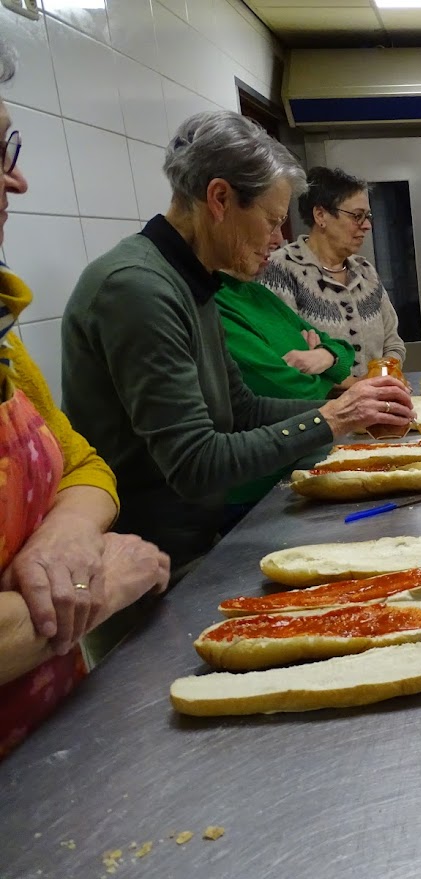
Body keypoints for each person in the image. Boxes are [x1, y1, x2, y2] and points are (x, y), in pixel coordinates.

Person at [61, 112, 415, 576]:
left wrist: (356, 409)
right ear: (220, 198)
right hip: (141, 565)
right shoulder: (138, 288)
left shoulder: (193, 280)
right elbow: (194, 462)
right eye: (270, 221)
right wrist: (333, 418)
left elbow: (240, 409)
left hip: (192, 544)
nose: (277, 240)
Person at [0, 51, 169, 758]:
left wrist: (68, 535)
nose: (17, 178)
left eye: (10, 146)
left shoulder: (4, 343)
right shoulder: (135, 285)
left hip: (52, 748)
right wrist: (98, 586)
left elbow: (84, 464)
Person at [215, 269, 358, 506]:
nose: (278, 240)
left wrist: (325, 356)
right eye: (270, 229)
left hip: (311, 455)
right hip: (260, 491)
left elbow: (343, 351)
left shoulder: (256, 292)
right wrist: (328, 374)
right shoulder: (217, 305)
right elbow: (292, 392)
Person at [261, 167, 405, 377]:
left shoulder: (365, 272)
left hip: (376, 400)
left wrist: (382, 377)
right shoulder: (281, 269)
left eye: (368, 216)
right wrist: (359, 388)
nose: (367, 226)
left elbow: (393, 342)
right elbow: (288, 357)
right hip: (319, 407)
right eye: (357, 216)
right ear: (321, 215)